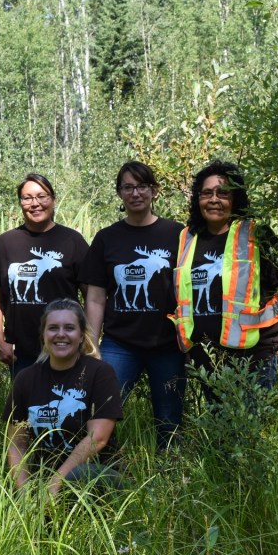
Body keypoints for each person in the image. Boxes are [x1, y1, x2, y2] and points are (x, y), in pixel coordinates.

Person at [169, 160, 278, 393]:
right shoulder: (186, 239)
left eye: (223, 193)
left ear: (235, 198)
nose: (214, 200)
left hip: (254, 358)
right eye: (207, 193)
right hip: (205, 358)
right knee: (215, 429)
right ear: (197, 199)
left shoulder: (256, 234)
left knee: (250, 426)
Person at [80, 161, 186, 449]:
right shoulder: (106, 238)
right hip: (120, 343)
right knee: (101, 409)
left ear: (154, 191)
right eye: (128, 187)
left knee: (170, 418)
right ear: (119, 193)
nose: (135, 193)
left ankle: (171, 478)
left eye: (142, 186)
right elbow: (95, 297)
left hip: (168, 344)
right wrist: (92, 345)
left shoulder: (178, 235)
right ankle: (105, 470)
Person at [4, 299, 123, 496]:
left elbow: (97, 439)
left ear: (82, 335)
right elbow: (17, 443)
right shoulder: (25, 378)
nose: (61, 334)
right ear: (43, 335)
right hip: (42, 481)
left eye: (69, 328)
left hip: (95, 479)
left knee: (79, 475)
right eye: (53, 328)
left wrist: (55, 483)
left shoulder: (100, 373)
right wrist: (24, 494)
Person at [0, 173, 88, 377]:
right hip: (21, 351)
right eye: (27, 198)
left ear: (53, 200)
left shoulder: (73, 242)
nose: (35, 203)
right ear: (20, 202)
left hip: (65, 346)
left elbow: (92, 297)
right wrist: (0, 340)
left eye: (42, 196)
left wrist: (86, 340)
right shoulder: (5, 243)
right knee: (24, 408)